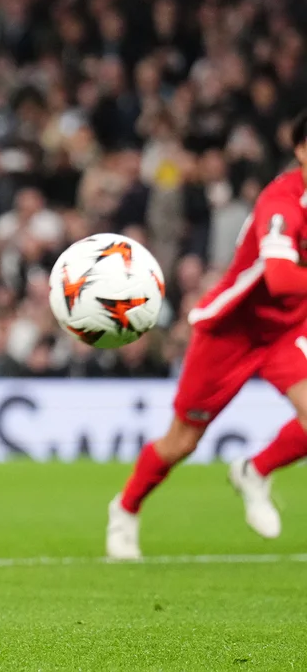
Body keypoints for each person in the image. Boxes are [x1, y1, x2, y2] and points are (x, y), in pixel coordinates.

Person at [107, 111, 307, 560]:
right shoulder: (283, 202)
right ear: (300, 150)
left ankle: (255, 470)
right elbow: (278, 277)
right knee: (183, 440)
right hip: (231, 330)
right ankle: (125, 508)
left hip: (288, 328)